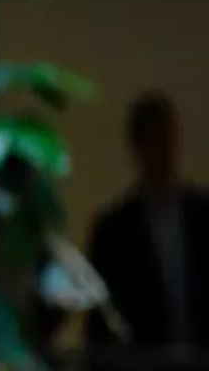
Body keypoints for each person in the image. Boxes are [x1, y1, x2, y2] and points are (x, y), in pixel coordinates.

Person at [87, 93, 209, 369]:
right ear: (138, 148)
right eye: (156, 141)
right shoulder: (113, 231)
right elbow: (101, 323)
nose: (164, 152)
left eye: (168, 140)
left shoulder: (204, 217)